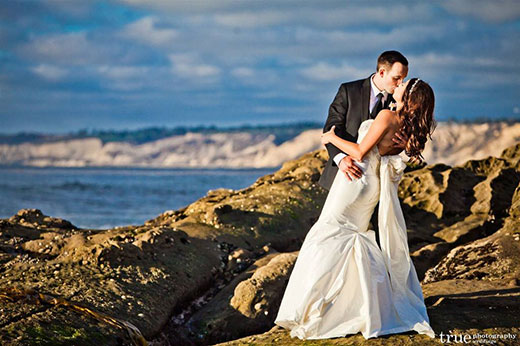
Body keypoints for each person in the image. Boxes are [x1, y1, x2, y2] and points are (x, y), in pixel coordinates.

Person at [274, 77, 437, 340]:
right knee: (349, 240)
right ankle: (352, 307)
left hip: (354, 181)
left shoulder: (386, 115)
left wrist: (331, 137)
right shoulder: (406, 127)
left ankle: (316, 311)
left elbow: (360, 152)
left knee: (327, 236)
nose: (398, 85)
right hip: (369, 187)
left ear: (409, 98)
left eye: (403, 85)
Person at [319, 51, 410, 245]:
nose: (400, 84)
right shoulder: (348, 90)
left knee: (371, 239)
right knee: (335, 236)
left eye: (403, 79)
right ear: (382, 72)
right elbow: (331, 129)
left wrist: (402, 146)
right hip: (344, 176)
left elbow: (398, 145)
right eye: (396, 78)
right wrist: (341, 159)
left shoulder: (399, 102)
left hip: (376, 183)